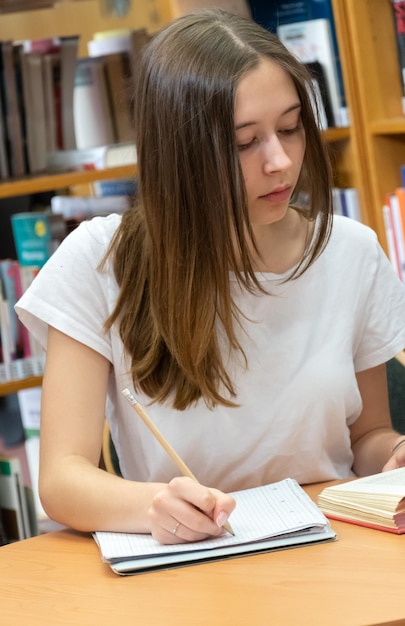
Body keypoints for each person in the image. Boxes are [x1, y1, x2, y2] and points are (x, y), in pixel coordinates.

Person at [16, 9, 405, 545]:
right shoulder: (101, 261)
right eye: (245, 143)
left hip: (330, 550)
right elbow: (61, 479)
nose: (280, 162)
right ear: (182, 152)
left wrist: (392, 453)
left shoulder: (350, 252)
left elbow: (366, 437)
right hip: (191, 560)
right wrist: (151, 505)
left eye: (290, 128)